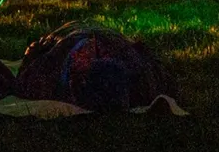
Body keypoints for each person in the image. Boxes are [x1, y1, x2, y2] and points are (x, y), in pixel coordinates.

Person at [15, 21, 177, 112]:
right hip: (78, 32)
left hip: (75, 35)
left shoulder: (45, 74)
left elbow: (26, 71)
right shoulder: (144, 76)